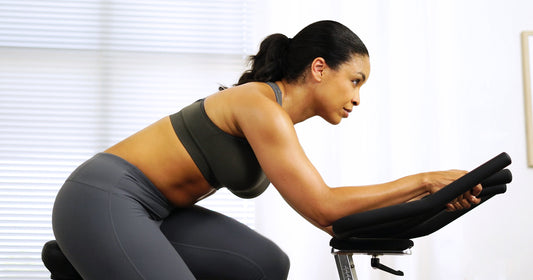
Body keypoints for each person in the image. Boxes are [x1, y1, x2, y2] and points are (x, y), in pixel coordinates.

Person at [51, 20, 481, 280]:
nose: (357, 98)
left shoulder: (277, 122)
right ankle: (86, 258)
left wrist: (433, 203)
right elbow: (326, 208)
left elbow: (336, 224)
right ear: (319, 69)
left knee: (262, 266)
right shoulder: (260, 106)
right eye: (355, 80)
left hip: (160, 213)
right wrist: (424, 181)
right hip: (104, 197)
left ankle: (84, 266)